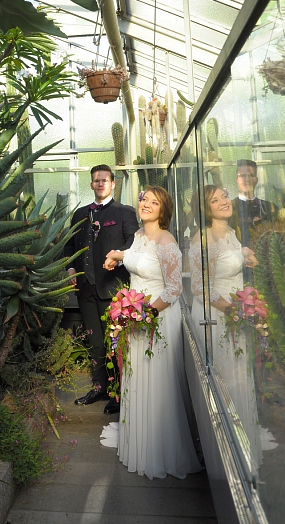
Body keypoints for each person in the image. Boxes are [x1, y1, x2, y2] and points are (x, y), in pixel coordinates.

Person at [102, 187, 203, 480]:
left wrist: (144, 316)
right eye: (144, 199)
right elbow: (135, 257)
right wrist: (117, 255)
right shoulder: (138, 236)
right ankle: (139, 439)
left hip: (156, 319)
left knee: (157, 380)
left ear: (164, 209)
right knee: (135, 376)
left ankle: (159, 447)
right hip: (133, 317)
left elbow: (174, 289)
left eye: (153, 201)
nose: (145, 204)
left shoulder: (167, 241)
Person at [190, 185, 262, 471]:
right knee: (221, 379)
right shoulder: (202, 238)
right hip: (216, 318)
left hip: (237, 315)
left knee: (239, 377)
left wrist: (249, 258)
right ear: (205, 209)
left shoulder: (232, 235)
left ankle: (243, 443)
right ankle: (223, 456)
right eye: (214, 200)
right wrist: (236, 311)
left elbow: (236, 265)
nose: (223, 202)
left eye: (224, 196)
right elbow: (198, 288)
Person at [65, 164, 139, 414]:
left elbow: (134, 243)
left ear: (113, 183)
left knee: (115, 342)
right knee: (95, 342)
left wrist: (118, 257)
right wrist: (71, 270)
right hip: (85, 290)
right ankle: (99, 388)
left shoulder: (124, 212)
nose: (100, 184)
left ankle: (118, 394)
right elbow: (69, 247)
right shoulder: (79, 214)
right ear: (91, 184)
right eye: (96, 180)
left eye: (104, 180)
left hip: (113, 290)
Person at [230, 159, 277, 249]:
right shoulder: (229, 208)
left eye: (251, 175)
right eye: (242, 176)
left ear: (256, 180)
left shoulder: (269, 207)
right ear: (237, 179)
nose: (246, 179)